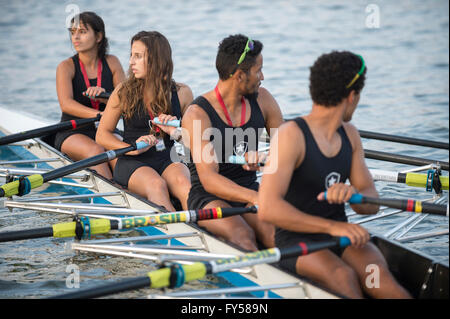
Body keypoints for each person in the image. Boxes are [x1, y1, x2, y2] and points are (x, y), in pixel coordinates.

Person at [258, 51, 411, 298]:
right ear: (352, 96)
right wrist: (332, 228)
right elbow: (268, 208)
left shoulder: (350, 135)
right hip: (295, 241)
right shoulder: (291, 135)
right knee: (343, 276)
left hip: (338, 235)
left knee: (381, 279)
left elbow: (370, 202)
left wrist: (354, 195)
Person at [182, 34, 283, 251]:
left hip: (248, 188)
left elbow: (287, 150)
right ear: (239, 76)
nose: (262, 77)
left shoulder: (264, 99)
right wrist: (256, 197)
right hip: (209, 197)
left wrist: (268, 158)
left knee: (278, 236)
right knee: (243, 235)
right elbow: (209, 179)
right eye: (258, 70)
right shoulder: (197, 114)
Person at [96, 31, 193, 211]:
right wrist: (131, 150)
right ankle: (176, 231)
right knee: (156, 185)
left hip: (167, 158)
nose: (131, 61)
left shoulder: (182, 93)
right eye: (131, 55)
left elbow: (192, 141)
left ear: (157, 60)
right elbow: (102, 135)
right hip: (131, 162)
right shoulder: (123, 92)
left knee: (184, 183)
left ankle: (206, 231)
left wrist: (176, 129)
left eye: (138, 56)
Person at [55, 11, 126, 179]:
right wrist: (101, 115)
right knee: (96, 151)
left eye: (82, 32)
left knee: (121, 151)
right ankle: (114, 191)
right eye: (73, 32)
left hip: (105, 128)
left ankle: (134, 189)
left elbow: (126, 101)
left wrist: (106, 97)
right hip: (71, 131)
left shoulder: (112, 62)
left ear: (98, 36)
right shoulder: (66, 67)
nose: (75, 38)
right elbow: (66, 104)